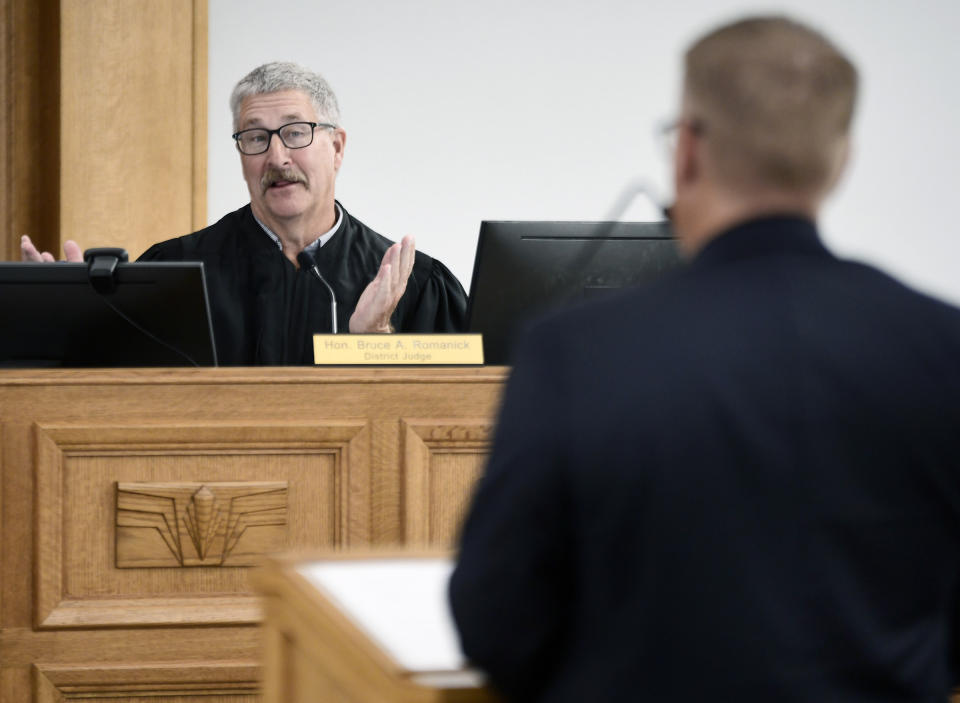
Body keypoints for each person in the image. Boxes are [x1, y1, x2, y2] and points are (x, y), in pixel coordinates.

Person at [449, 15, 960, 703]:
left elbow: (494, 622)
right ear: (839, 161)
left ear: (686, 149)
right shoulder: (943, 346)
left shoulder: (574, 352)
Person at [22, 62, 466, 364]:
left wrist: (373, 343)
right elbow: (115, 401)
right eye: (255, 138)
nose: (276, 157)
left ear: (336, 148)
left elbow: (452, 423)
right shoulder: (172, 275)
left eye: (295, 133)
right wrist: (68, 322)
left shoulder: (413, 286)